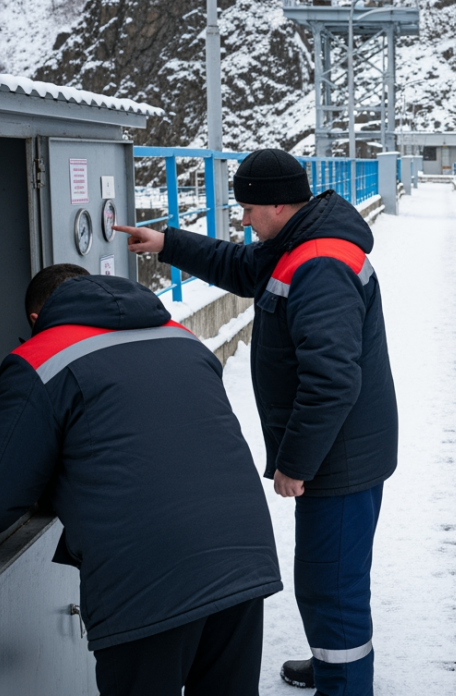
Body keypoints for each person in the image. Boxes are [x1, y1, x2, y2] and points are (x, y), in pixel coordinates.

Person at [116, 148, 397, 696]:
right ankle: (334, 663)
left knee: (331, 586)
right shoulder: (296, 243)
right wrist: (167, 243)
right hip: (340, 449)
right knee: (328, 577)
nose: (243, 220)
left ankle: (344, 681)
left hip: (339, 458)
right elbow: (244, 268)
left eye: (247, 209)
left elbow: (333, 380)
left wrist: (296, 463)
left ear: (278, 204)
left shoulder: (319, 265)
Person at [0, 264, 283, 696]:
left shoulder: (40, 357)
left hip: (146, 580)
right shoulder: (180, 337)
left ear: (36, 318)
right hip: (242, 557)